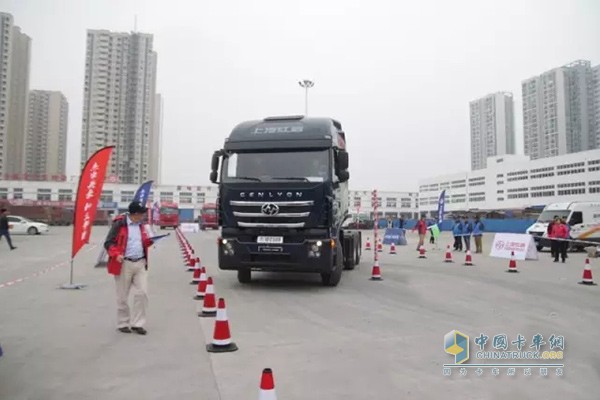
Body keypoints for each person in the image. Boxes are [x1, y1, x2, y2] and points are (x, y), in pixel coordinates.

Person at [104, 201, 155, 334]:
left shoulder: (142, 226)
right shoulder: (120, 224)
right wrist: (116, 254)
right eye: (142, 213)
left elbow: (143, 241)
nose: (143, 216)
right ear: (135, 214)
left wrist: (151, 241)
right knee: (122, 296)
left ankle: (137, 324)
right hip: (124, 263)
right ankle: (123, 323)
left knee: (142, 293)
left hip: (140, 263)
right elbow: (108, 243)